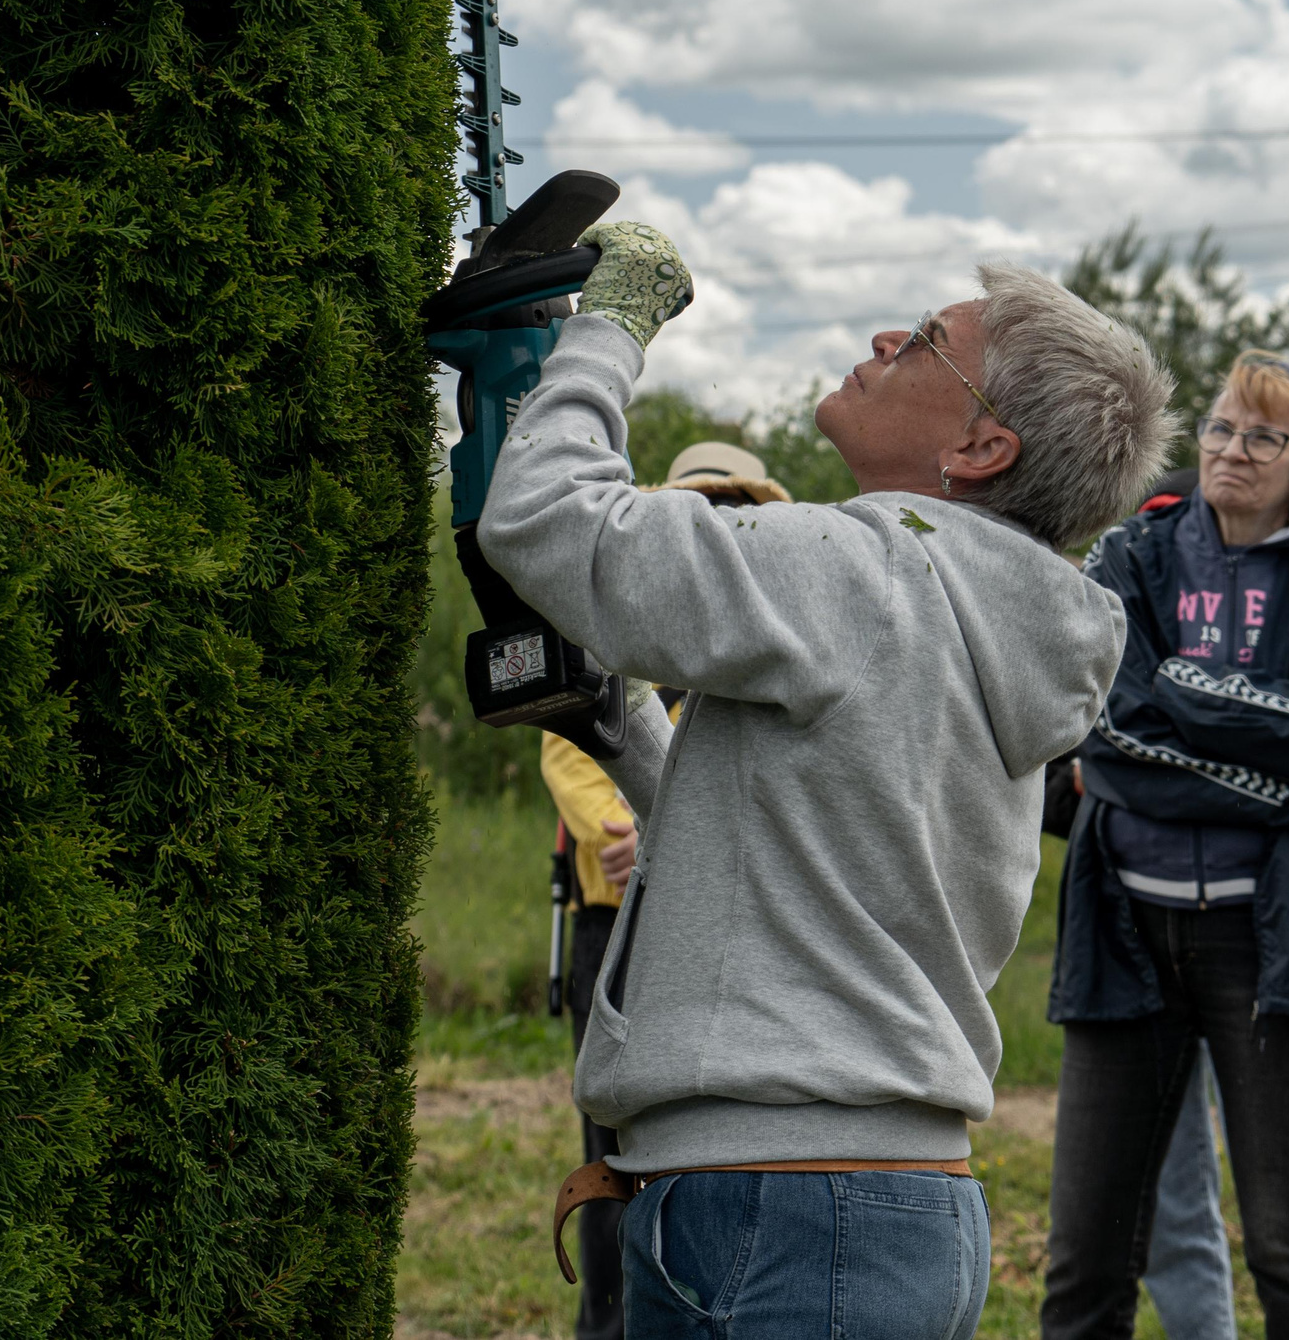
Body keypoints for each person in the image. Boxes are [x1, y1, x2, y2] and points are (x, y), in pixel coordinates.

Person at [480, 222, 1175, 1340]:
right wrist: (619, 728)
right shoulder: (985, 611)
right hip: (831, 1200)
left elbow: (554, 525)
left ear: (980, 447)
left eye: (926, 346)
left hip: (794, 1210)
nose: (885, 335)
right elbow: (785, 840)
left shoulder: (857, 566)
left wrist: (609, 324)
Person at [1042, 351, 1289, 1340]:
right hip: (1125, 931)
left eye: (1264, 436)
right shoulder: (1129, 558)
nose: (1232, 451)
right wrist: (1285, 783)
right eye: (1218, 428)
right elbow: (1109, 734)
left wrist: (1177, 688)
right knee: (1086, 1255)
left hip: (1277, 939)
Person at [542, 443, 795, 1340]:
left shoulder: (766, 645)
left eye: (733, 506)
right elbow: (568, 740)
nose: (714, 523)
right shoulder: (617, 623)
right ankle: (605, 1325)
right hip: (614, 930)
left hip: (723, 937)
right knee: (610, 1149)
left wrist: (659, 837)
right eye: (699, 505)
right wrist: (634, 835)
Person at [1045, 464, 1239, 1340]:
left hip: (1212, 932)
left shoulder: (1225, 624)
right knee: (1145, 1208)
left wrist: (1116, 774)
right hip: (1126, 934)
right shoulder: (1098, 604)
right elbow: (1056, 769)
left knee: (1181, 1203)